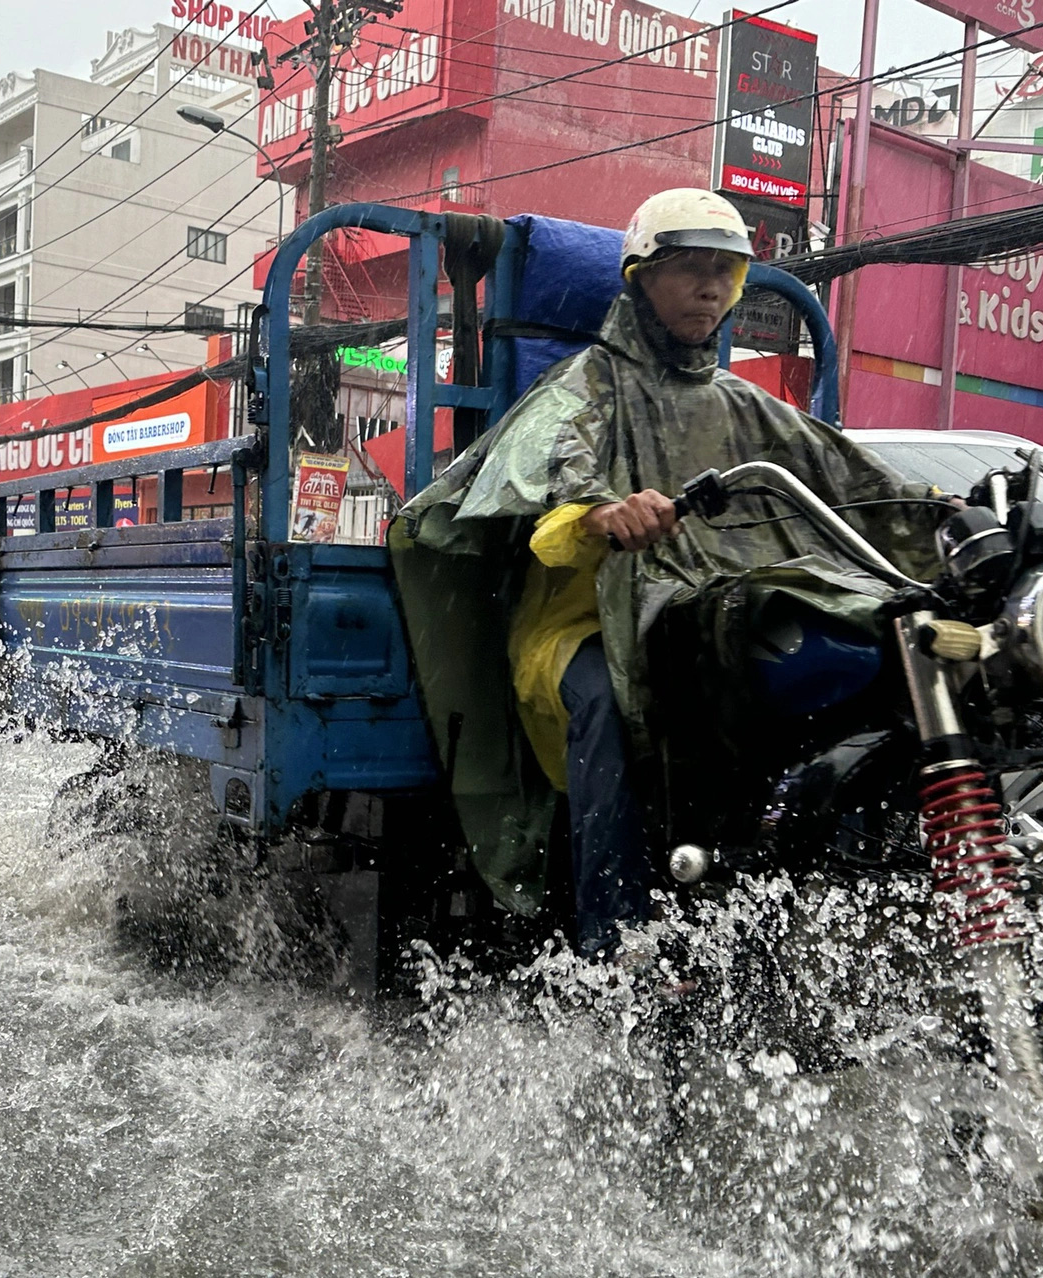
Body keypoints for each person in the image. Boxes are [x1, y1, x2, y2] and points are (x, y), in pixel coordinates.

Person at [390, 188, 945, 959]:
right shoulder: (584, 386)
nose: (711, 287)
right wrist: (597, 516)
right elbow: (548, 477)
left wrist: (944, 514)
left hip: (705, 617)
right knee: (613, 711)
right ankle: (614, 945)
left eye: (725, 271)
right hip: (582, 625)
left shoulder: (748, 405)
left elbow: (853, 483)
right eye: (690, 268)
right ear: (641, 278)